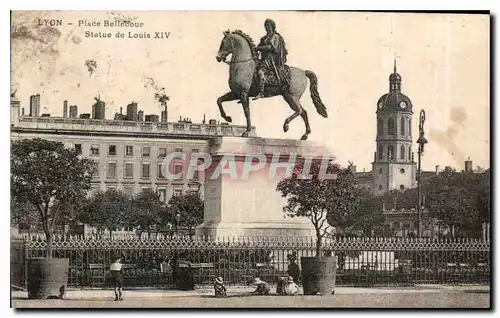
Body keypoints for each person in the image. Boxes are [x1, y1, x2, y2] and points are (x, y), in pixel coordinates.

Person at [253, 18, 290, 100]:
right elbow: (257, 47)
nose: (266, 27)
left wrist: (258, 48)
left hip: (271, 59)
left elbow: (271, 47)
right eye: (265, 25)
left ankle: (261, 92)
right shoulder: (264, 38)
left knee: (260, 72)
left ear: (273, 26)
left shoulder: (275, 36)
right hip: (263, 58)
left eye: (268, 25)